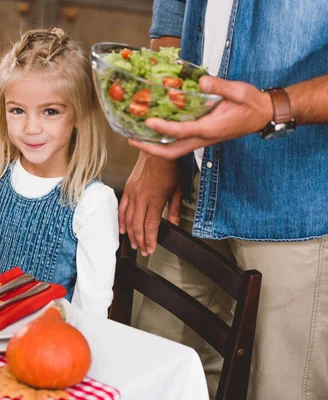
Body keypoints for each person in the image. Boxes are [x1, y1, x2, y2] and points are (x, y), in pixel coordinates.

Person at [120, 1, 328, 399]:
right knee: (156, 373)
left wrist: (272, 109)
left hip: (298, 204)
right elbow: (172, 18)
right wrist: (158, 151)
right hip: (198, 177)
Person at [0, 28, 119, 317]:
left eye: (50, 111)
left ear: (76, 115)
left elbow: (92, 306)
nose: (31, 128)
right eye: (18, 111)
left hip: (42, 338)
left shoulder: (93, 202)